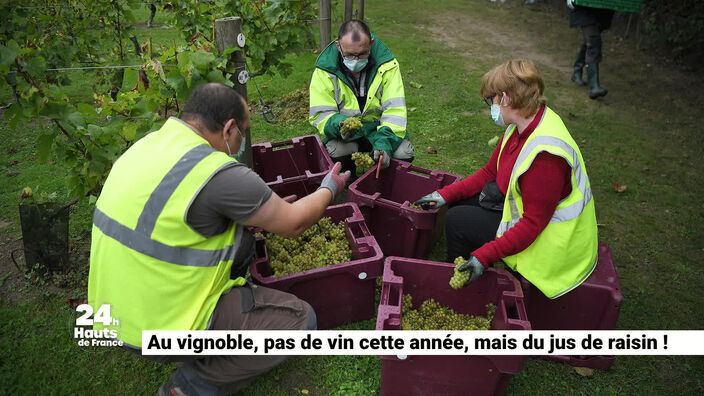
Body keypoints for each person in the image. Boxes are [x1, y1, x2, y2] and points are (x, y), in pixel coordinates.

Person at [87, 83, 350, 395]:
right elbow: (294, 223)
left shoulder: (146, 147)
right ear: (228, 128)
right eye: (244, 131)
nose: (242, 141)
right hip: (160, 326)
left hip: (111, 315)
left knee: (242, 242)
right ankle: (189, 386)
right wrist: (329, 187)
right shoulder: (217, 172)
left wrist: (265, 209)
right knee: (301, 324)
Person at [415, 59, 598, 299]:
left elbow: (533, 224)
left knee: (458, 220)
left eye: (491, 100)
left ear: (506, 98)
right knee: (458, 207)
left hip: (552, 243)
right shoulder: (524, 123)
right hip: (533, 219)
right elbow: (491, 173)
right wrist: (444, 195)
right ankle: (463, 270)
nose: (490, 106)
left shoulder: (545, 157)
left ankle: (459, 287)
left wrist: (485, 255)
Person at [309, 19, 414, 175]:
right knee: (336, 150)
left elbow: (395, 112)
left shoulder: (388, 65)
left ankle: (384, 184)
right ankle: (346, 180)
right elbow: (321, 114)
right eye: (350, 55)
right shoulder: (325, 70)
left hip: (379, 130)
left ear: (371, 43)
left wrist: (384, 144)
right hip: (347, 136)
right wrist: (340, 125)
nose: (356, 61)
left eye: (362, 54)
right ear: (338, 46)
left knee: (404, 153)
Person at [567, 0, 614, 99]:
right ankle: (594, 87)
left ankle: (576, 71)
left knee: (589, 41)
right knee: (593, 42)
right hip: (584, 8)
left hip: (602, 8)